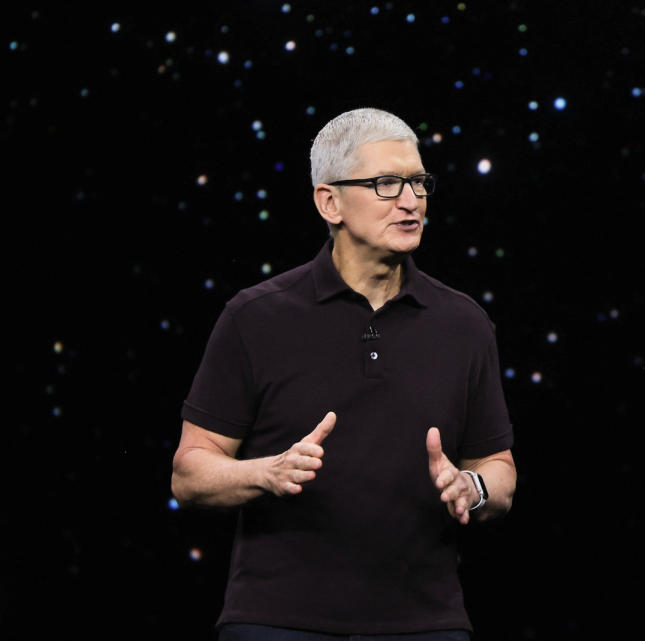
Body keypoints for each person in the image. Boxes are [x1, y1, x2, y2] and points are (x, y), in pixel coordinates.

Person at [171, 107, 517, 641]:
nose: (411, 201)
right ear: (328, 202)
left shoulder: (464, 323)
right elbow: (190, 474)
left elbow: (499, 469)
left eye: (418, 182)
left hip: (423, 623)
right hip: (276, 621)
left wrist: (471, 486)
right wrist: (264, 472)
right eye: (385, 183)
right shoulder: (254, 317)